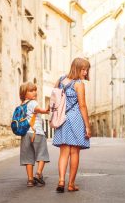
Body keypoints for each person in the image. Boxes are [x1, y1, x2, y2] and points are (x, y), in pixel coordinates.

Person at [53, 57, 91, 193]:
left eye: (87, 70)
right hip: (75, 118)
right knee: (74, 152)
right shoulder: (79, 84)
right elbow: (82, 105)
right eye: (83, 69)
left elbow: (54, 99)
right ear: (76, 68)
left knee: (64, 152)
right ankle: (71, 184)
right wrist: (87, 125)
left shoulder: (60, 80)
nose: (85, 72)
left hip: (62, 118)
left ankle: (61, 180)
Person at [19, 82, 50, 187]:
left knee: (28, 157)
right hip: (37, 133)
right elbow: (37, 109)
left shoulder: (22, 105)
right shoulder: (33, 103)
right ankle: (38, 173)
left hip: (25, 134)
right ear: (24, 93)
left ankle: (30, 180)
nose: (35, 92)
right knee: (42, 154)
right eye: (31, 91)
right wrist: (45, 110)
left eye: (35, 90)